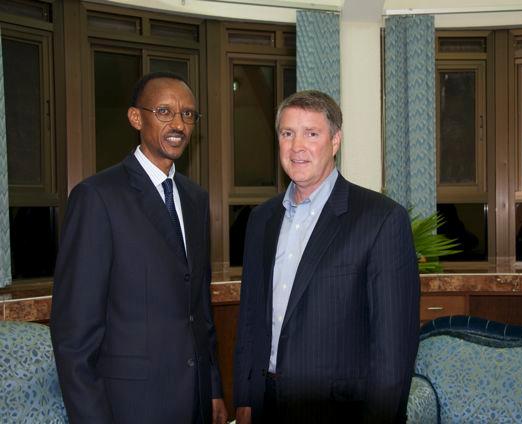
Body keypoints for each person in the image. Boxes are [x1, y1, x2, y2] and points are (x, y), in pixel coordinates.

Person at [50, 72, 228, 424]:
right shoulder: (97, 197)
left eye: (188, 114)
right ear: (136, 118)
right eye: (164, 111)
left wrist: (212, 388)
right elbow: (74, 335)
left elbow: (199, 310)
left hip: (194, 400)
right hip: (130, 406)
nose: (178, 124)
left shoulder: (195, 199)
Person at [233, 90, 420, 423]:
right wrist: (245, 397)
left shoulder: (381, 219)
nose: (297, 146)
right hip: (266, 404)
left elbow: (393, 349)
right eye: (287, 133)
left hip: (340, 411)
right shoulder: (262, 219)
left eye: (311, 134)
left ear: (335, 141)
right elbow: (250, 316)